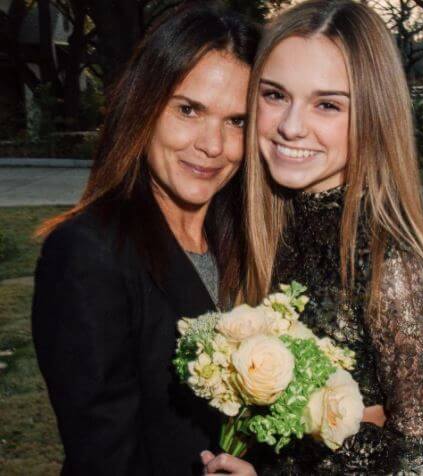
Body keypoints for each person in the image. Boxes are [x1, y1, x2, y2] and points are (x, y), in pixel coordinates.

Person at [203, 0, 423, 474]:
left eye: (327, 104)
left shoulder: (388, 265)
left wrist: (341, 441)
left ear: (372, 115)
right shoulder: (266, 228)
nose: (290, 125)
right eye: (274, 95)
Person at [31, 3, 259, 475]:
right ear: (144, 105)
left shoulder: (247, 243)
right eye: (189, 109)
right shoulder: (87, 253)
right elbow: (102, 458)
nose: (212, 145)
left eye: (236, 121)